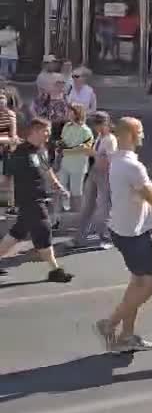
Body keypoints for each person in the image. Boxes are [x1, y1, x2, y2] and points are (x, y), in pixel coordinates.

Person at [94, 117, 152, 353]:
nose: (144, 135)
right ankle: (110, 323)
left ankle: (127, 336)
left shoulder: (119, 159)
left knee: (138, 282)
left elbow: (144, 193)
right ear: (129, 135)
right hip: (131, 233)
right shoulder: (131, 165)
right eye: (140, 131)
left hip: (126, 228)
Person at [0, 118, 73, 282]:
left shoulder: (41, 150)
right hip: (29, 199)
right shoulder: (19, 152)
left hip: (39, 197)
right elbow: (6, 178)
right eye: (45, 130)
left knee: (17, 233)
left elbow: (47, 170)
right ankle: (55, 270)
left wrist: (59, 187)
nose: (48, 134)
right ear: (34, 131)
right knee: (43, 230)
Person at [75, 111, 116, 248]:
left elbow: (110, 161)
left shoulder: (110, 140)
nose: (95, 127)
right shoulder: (99, 137)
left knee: (104, 207)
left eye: (97, 124)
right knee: (87, 205)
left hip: (105, 175)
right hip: (94, 172)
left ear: (105, 123)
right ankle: (80, 236)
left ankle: (106, 237)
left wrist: (94, 154)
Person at [57, 102, 94, 211]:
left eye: (70, 111)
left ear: (77, 113)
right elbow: (63, 141)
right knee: (61, 187)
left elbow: (85, 148)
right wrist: (59, 146)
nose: (67, 113)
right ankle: (63, 209)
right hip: (65, 164)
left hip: (78, 165)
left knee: (76, 192)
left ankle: (78, 213)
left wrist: (67, 151)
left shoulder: (86, 130)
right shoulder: (66, 126)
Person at [0, 88, 18, 214]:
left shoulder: (11, 114)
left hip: (7, 150)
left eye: (2, 99)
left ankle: (8, 207)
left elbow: (13, 136)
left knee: (7, 180)